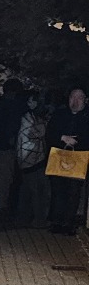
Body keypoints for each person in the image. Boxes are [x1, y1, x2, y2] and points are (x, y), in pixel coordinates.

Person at [46, 85, 89, 235]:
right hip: (58, 157)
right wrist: (62, 137)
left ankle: (68, 223)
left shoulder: (86, 117)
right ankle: (56, 221)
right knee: (58, 190)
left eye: (79, 98)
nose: (75, 101)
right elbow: (49, 132)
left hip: (78, 158)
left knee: (73, 191)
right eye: (72, 97)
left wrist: (77, 141)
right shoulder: (60, 114)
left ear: (85, 100)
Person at [0, 78, 27, 223]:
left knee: (2, 176)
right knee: (5, 177)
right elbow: (9, 125)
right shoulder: (10, 106)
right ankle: (2, 206)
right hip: (6, 146)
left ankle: (2, 204)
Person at [17, 87, 51, 228]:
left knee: (30, 190)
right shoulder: (28, 118)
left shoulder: (32, 117)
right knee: (37, 190)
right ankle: (38, 219)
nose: (30, 103)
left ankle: (23, 218)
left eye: (33, 101)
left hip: (32, 158)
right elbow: (37, 133)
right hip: (30, 158)